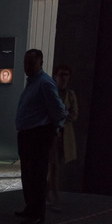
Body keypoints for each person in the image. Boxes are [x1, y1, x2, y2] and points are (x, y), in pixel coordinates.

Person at [15, 49, 67, 224]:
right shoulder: (33, 82)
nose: (27, 66)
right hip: (28, 135)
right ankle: (31, 208)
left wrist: (53, 130)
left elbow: (59, 111)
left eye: (31, 63)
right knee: (28, 175)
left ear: (41, 63)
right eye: (26, 63)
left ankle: (37, 213)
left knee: (36, 176)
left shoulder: (44, 83)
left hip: (37, 136)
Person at [47, 64, 78, 208]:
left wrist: (62, 119)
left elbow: (74, 114)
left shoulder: (70, 94)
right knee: (53, 168)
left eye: (67, 75)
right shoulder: (50, 92)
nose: (64, 78)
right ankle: (54, 197)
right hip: (51, 135)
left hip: (64, 137)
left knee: (54, 167)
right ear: (55, 76)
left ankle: (47, 194)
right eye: (61, 75)